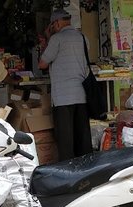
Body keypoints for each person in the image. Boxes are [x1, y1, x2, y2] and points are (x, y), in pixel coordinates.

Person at [38, 9, 92, 161]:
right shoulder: (83, 37)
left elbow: (42, 63)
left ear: (56, 23)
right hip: (81, 95)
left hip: (62, 98)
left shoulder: (57, 39)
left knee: (65, 141)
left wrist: (48, 37)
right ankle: (86, 168)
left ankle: (68, 173)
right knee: (82, 140)